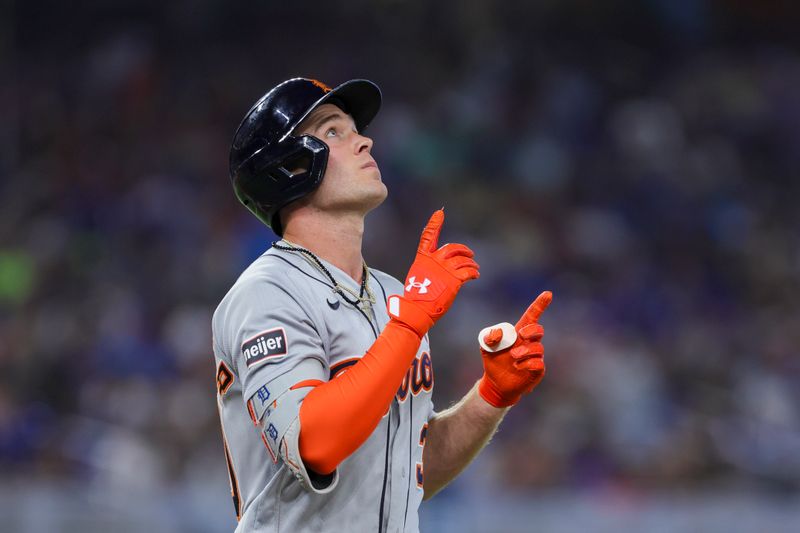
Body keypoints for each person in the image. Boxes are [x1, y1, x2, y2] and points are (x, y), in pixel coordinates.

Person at [212, 77, 552, 532]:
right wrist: (410, 322)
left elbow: (409, 473)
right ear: (288, 168)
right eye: (333, 132)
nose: (364, 140)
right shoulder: (267, 292)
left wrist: (490, 395)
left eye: (356, 130)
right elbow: (316, 441)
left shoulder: (391, 295)